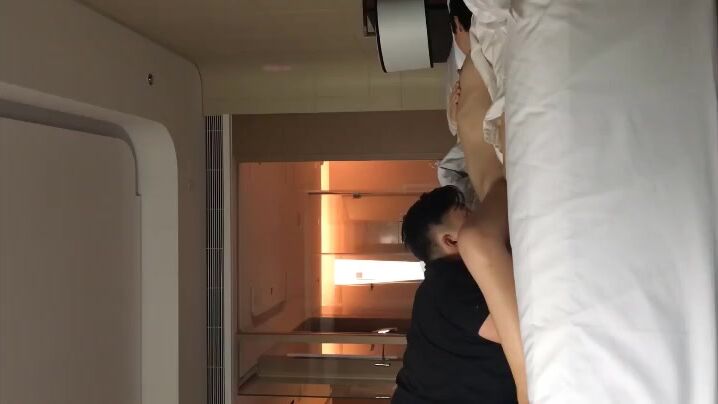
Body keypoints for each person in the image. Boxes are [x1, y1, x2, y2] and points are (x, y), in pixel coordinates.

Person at [392, 183, 527, 404]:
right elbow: (519, 329)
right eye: (469, 216)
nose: (480, 219)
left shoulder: (442, 285)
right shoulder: (449, 283)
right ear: (451, 241)